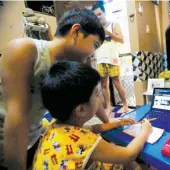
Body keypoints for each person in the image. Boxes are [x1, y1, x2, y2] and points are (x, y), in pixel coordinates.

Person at [0, 8, 109, 170]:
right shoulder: (25, 50)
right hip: (8, 144)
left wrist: (108, 121)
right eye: (95, 45)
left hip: (34, 138)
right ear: (76, 31)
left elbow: (91, 94)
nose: (93, 53)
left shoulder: (67, 66)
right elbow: (18, 117)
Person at [33, 60, 152, 170]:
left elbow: (94, 128)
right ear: (81, 110)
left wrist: (118, 123)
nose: (99, 99)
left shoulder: (56, 127)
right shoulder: (85, 141)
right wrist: (145, 131)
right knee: (126, 158)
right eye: (96, 94)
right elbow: (128, 155)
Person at [92, 3, 129, 115]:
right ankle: (108, 107)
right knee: (104, 85)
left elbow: (121, 40)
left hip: (112, 59)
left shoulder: (113, 24)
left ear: (104, 12)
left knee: (117, 82)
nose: (98, 17)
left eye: (99, 14)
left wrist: (109, 33)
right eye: (96, 15)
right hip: (100, 59)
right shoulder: (96, 30)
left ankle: (125, 105)